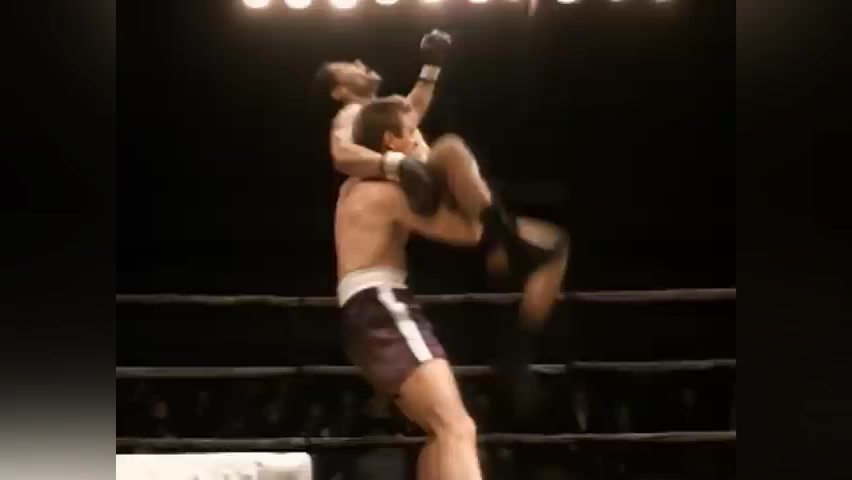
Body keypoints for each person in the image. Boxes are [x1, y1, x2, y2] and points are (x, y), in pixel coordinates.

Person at [336, 96, 567, 480]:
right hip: (382, 307)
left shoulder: (352, 188)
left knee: (438, 434)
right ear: (391, 140)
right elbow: (468, 235)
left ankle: (508, 237)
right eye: (413, 133)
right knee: (458, 429)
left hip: (368, 311)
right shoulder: (387, 195)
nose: (419, 140)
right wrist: (461, 182)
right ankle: (509, 239)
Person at [313, 30, 569, 331]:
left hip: (430, 187)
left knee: (553, 245)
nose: (359, 62)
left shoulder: (382, 111)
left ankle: (518, 323)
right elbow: (341, 153)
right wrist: (397, 165)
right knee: (449, 149)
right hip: (415, 188)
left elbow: (415, 105)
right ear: (339, 91)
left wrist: (431, 66)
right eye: (348, 67)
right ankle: (508, 245)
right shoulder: (350, 114)